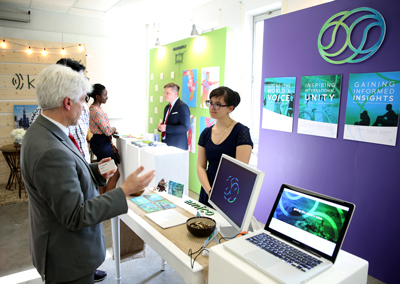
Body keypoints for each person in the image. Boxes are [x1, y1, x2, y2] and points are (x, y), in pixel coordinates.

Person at [20, 64, 155, 284]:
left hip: (60, 248)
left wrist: (97, 170)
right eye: (83, 100)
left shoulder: (42, 130)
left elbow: (67, 172)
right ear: (67, 102)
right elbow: (75, 215)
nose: (84, 108)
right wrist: (124, 191)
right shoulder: (51, 150)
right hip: (69, 257)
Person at [197, 86, 253, 207]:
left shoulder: (241, 132)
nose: (212, 107)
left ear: (230, 108)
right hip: (208, 189)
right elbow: (200, 166)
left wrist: (220, 194)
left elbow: (240, 171)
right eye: (210, 102)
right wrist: (209, 191)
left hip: (230, 192)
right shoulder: (206, 133)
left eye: (217, 104)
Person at [30, 58, 91, 163]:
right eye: (79, 81)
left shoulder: (84, 108)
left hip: (83, 169)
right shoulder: (44, 115)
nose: (83, 87)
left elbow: (82, 141)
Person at [88, 84, 120, 194]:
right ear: (97, 96)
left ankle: (102, 199)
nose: (107, 97)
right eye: (104, 95)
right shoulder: (95, 110)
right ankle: (107, 200)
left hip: (101, 142)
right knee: (114, 173)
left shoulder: (94, 109)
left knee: (104, 172)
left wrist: (111, 131)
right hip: (102, 144)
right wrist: (113, 128)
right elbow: (106, 130)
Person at [157, 83, 190, 150]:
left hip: (177, 146)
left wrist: (166, 128)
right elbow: (166, 124)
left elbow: (185, 127)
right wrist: (160, 127)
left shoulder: (182, 107)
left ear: (175, 94)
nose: (164, 95)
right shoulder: (167, 107)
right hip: (165, 144)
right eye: (164, 93)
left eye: (167, 93)